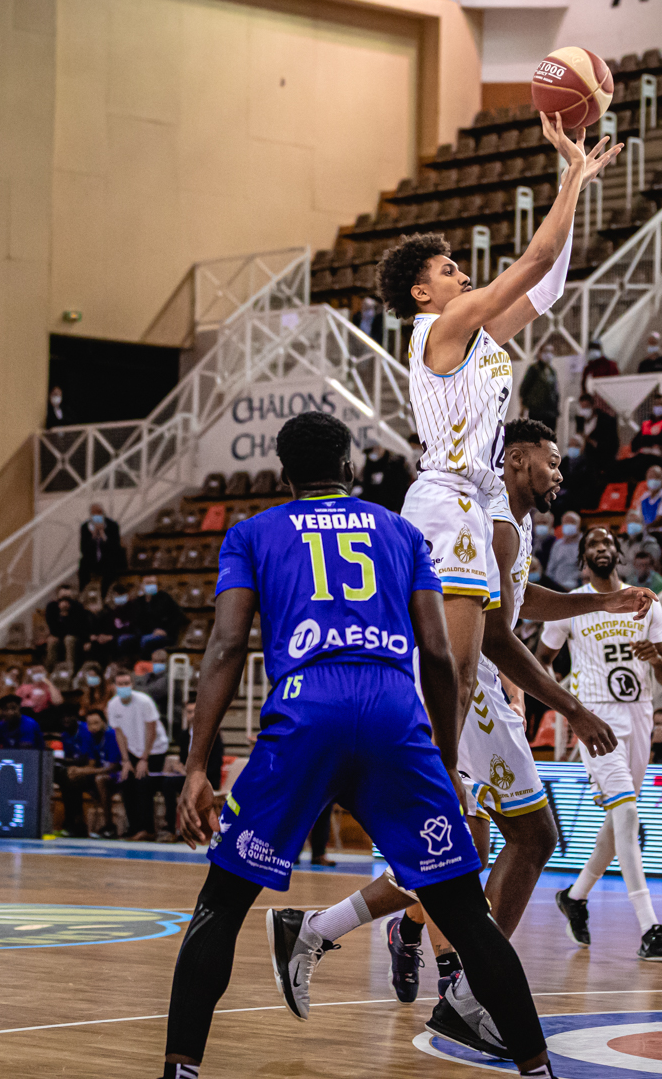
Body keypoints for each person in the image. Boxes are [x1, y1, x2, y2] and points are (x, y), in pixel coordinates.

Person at [157, 410, 555, 1079]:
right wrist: (447, 758)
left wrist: (197, 764)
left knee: (220, 905)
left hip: (304, 710)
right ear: (350, 467)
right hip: (391, 714)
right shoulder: (399, 531)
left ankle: (179, 1071)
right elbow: (436, 649)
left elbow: (225, 645)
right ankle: (539, 1071)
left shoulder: (252, 533)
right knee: (463, 908)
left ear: (286, 476)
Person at [303, 419, 643, 1028]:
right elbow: (498, 641)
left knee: (467, 847)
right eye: (552, 461)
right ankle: (467, 986)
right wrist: (572, 707)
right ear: (515, 461)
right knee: (523, 839)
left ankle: (342, 932)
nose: (560, 473)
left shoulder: (516, 522)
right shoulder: (491, 521)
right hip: (461, 688)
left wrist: (596, 602)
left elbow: (514, 601)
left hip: (463, 687)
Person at [537, 524, 662, 964]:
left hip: (640, 714)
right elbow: (539, 662)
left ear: (618, 554)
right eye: (593, 544)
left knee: (620, 818)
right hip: (596, 718)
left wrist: (658, 658)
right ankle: (650, 927)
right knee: (628, 811)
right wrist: (568, 706)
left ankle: (575, 898)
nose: (601, 547)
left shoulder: (646, 603)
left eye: (607, 543)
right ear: (583, 559)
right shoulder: (572, 607)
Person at [108, 669, 172, 840]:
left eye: (126, 683)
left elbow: (151, 730)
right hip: (133, 749)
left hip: (155, 749)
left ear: (132, 684)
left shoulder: (144, 701)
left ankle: (147, 829)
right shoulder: (113, 705)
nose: (123, 687)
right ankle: (134, 827)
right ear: (115, 686)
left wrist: (144, 758)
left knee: (143, 783)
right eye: (120, 684)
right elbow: (119, 734)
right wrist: (126, 760)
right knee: (126, 781)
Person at [57, 706, 120, 837]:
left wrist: (83, 771)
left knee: (100, 779)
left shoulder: (111, 735)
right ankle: (77, 824)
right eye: (90, 724)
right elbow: (91, 763)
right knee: (70, 778)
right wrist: (77, 771)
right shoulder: (91, 737)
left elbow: (113, 767)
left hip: (116, 775)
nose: (93, 727)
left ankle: (109, 827)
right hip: (99, 772)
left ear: (104, 722)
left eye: (96, 723)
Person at [125, 576, 186, 658]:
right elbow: (135, 621)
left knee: (145, 641)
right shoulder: (138, 602)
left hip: (164, 635)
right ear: (142, 586)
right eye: (148, 583)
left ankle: (145, 664)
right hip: (143, 634)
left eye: (153, 583)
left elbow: (179, 617)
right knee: (123, 640)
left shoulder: (165, 598)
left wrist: (166, 631)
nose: (150, 586)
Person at [43, 584, 89, 672]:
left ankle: (70, 670)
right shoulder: (52, 607)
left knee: (69, 639)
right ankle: (51, 671)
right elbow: (53, 628)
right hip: (58, 635)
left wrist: (66, 615)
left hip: (74, 636)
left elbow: (77, 628)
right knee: (52, 641)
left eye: (67, 598)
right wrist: (61, 614)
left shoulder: (78, 607)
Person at [354, 440, 411, 512]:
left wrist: (397, 508)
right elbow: (367, 487)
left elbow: (401, 489)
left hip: (391, 507)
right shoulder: (369, 464)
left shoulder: (395, 465)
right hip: (374, 508)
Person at [79, 503, 125, 589]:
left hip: (108, 558)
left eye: (99, 512)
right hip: (93, 558)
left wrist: (103, 535)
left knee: (111, 565)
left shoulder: (112, 525)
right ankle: (83, 592)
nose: (97, 515)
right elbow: (83, 549)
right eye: (94, 513)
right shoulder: (85, 527)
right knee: (83, 564)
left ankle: (105, 592)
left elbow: (116, 547)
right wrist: (93, 536)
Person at [630, 393, 662, 466]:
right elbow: (634, 443)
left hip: (661, 458)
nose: (659, 407)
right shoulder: (647, 423)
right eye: (656, 404)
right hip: (642, 455)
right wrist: (648, 440)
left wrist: (646, 439)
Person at [518, 346, 560, 427]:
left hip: (551, 412)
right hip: (537, 411)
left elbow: (555, 390)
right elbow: (524, 389)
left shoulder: (552, 371)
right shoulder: (534, 369)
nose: (548, 354)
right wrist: (522, 409)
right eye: (545, 351)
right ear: (539, 353)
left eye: (550, 352)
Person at [573, 392, 620, 464]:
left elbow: (612, 444)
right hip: (584, 461)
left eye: (587, 407)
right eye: (582, 407)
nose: (584, 410)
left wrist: (591, 441)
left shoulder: (606, 421)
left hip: (602, 460)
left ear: (593, 406)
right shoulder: (580, 421)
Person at [616, 509, 662, 579]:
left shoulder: (649, 543)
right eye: (630, 522)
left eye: (636, 521)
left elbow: (652, 568)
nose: (632, 524)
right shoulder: (622, 542)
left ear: (643, 524)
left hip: (639, 583)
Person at [545, 511, 584, 590]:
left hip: (576, 585)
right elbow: (550, 569)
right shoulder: (557, 544)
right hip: (556, 585)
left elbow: (584, 569)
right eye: (566, 523)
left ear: (578, 525)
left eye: (572, 522)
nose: (569, 525)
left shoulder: (584, 544)